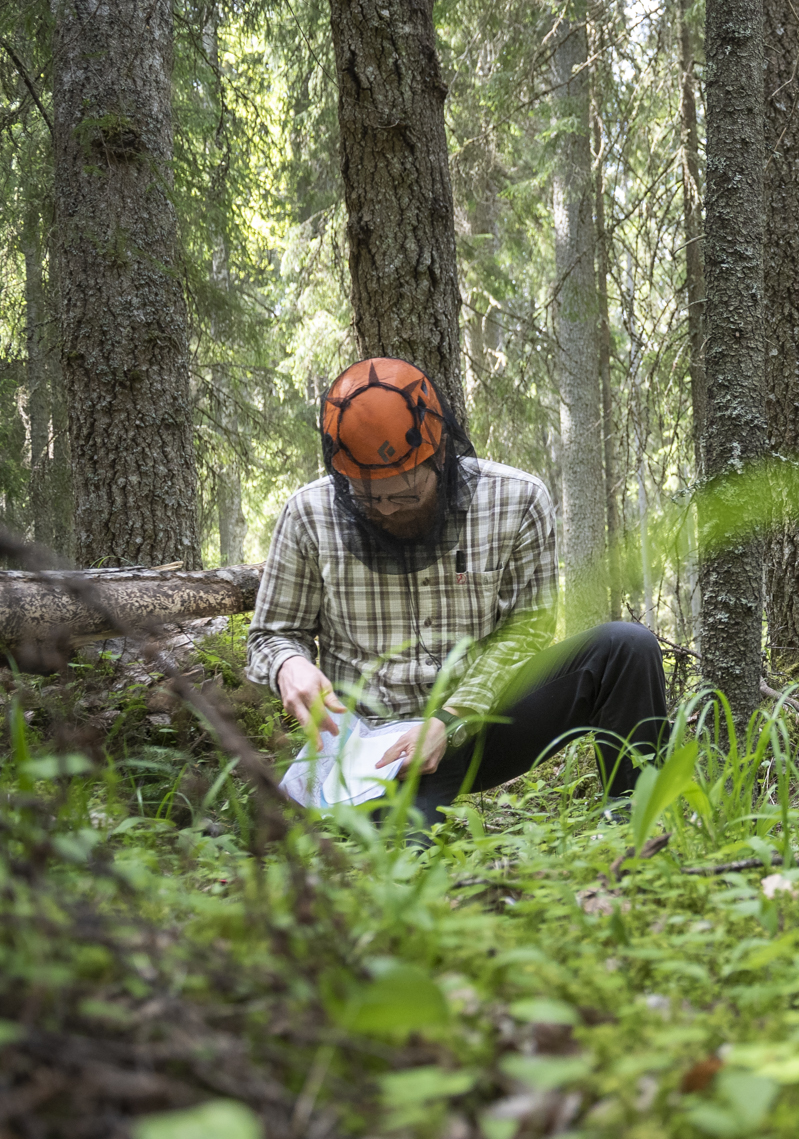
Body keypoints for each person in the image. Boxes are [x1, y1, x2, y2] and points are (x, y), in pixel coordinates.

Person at [247, 358, 669, 838]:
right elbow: (271, 635)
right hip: (380, 748)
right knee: (409, 854)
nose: (385, 510)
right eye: (367, 498)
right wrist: (288, 665)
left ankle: (634, 824)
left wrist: (450, 718)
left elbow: (527, 628)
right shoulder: (309, 514)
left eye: (403, 496)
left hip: (483, 719)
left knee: (625, 649)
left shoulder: (516, 499)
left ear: (439, 455)